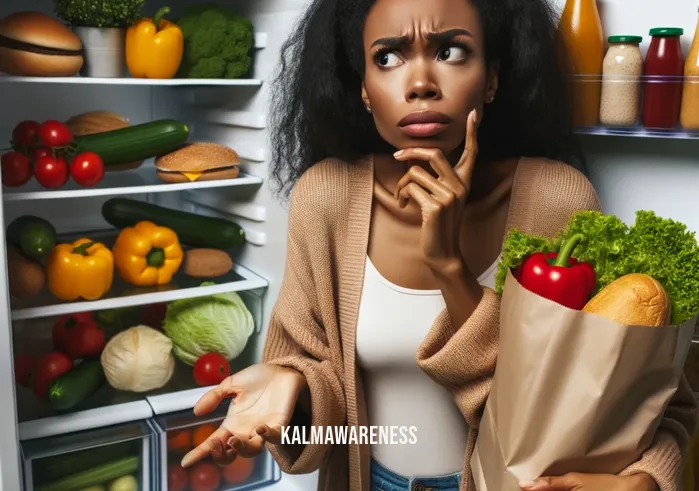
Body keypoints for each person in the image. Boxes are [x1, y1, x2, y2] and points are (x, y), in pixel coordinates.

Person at [180, 0, 698, 489]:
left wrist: (646, 479)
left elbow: (650, 398)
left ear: (492, 77)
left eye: (450, 51)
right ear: (363, 87)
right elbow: (315, 376)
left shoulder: (556, 199)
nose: (421, 83)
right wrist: (290, 384)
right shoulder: (326, 197)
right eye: (387, 57)